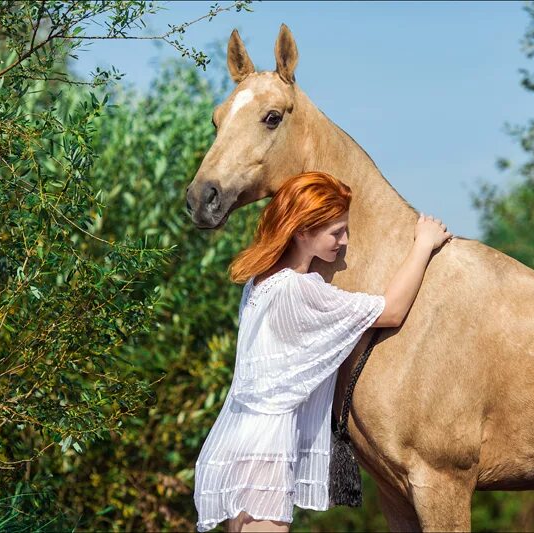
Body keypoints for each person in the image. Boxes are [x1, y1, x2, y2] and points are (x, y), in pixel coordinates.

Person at [193, 171, 453, 532]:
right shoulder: (298, 290)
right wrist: (424, 245)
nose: (343, 241)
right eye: (335, 232)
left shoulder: (259, 283)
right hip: (266, 451)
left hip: (241, 439)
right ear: (302, 231)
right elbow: (391, 310)